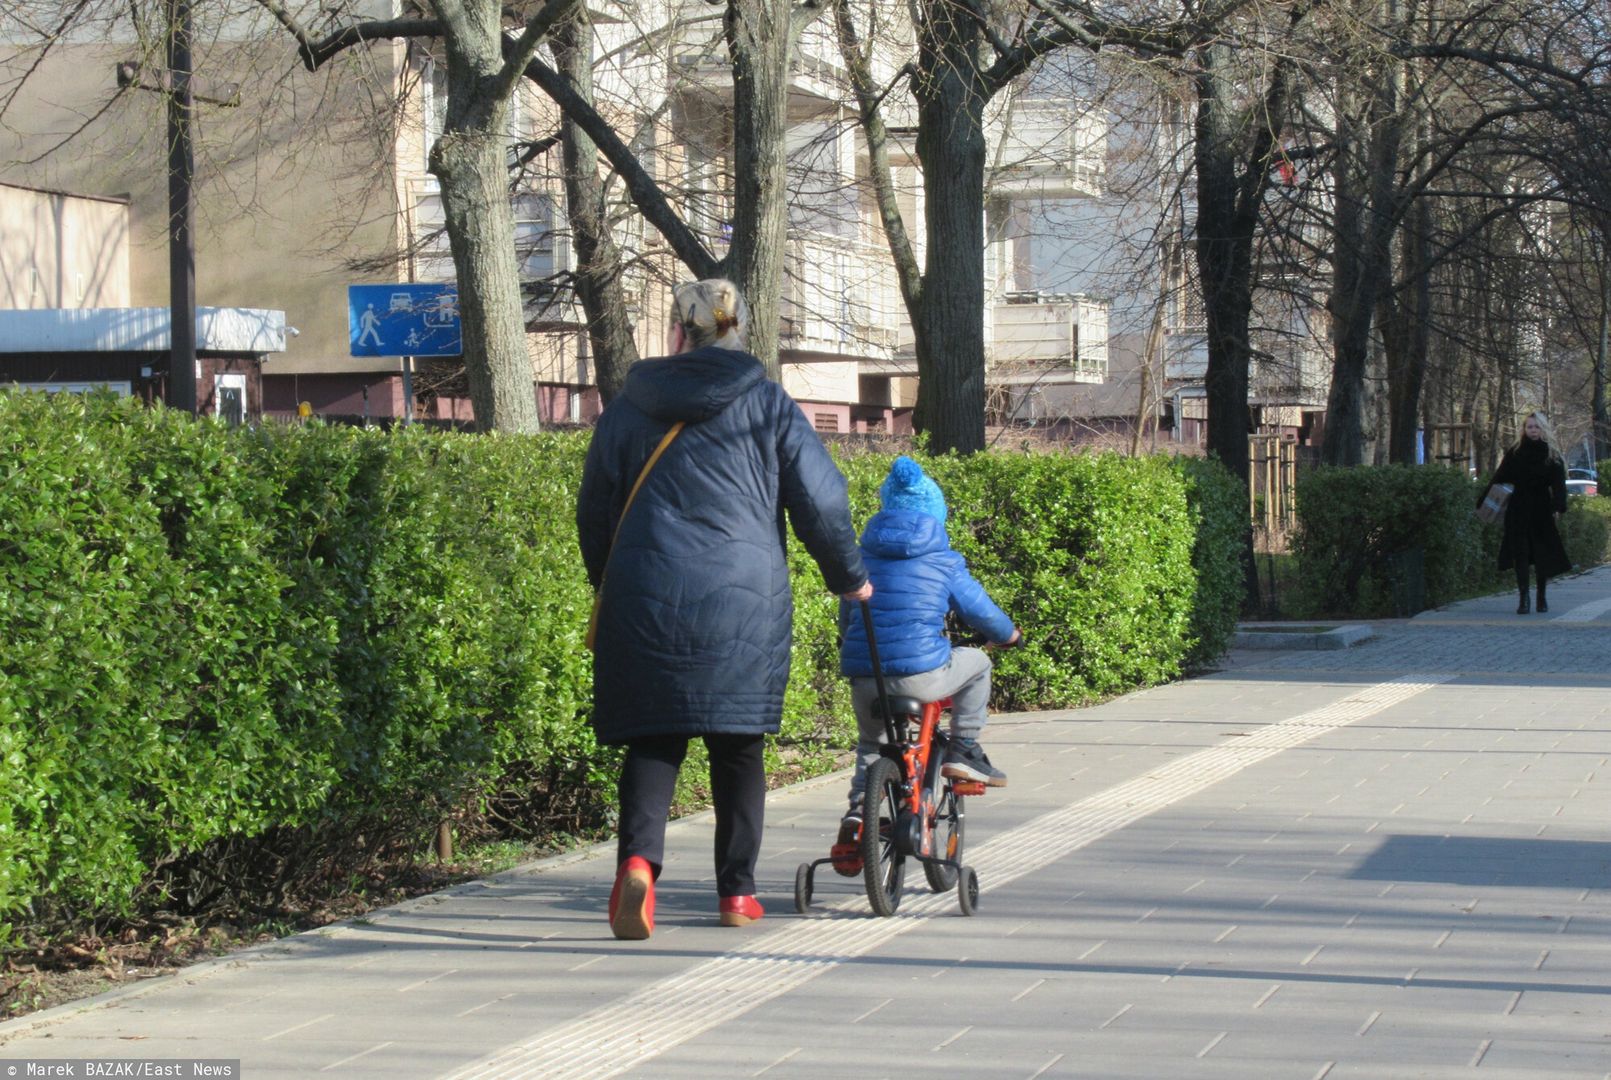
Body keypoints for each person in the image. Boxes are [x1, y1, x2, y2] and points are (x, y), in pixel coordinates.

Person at [577, 278, 871, 941]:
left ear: (678, 333)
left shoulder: (627, 410)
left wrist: (612, 582)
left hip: (644, 594)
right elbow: (820, 502)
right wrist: (848, 577)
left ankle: (638, 867)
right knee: (737, 747)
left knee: (653, 741)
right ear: (738, 329)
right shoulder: (767, 405)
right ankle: (735, 894)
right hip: (743, 599)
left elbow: (594, 511)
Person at [831, 455, 1020, 872]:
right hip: (923, 676)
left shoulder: (861, 559)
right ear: (937, 515)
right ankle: (964, 746)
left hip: (868, 678)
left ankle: (858, 816)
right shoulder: (942, 560)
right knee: (977, 664)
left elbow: (848, 621)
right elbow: (981, 613)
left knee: (871, 745)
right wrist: (1009, 636)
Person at [1479, 410, 1569, 614]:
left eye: (1537, 426)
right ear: (1524, 429)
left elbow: (1559, 485)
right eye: (1529, 427)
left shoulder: (1551, 454)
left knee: (1541, 555)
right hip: (1518, 509)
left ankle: (1541, 598)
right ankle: (1524, 599)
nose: (1533, 430)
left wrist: (1558, 506)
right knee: (1520, 554)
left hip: (1541, 510)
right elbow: (1499, 477)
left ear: (1543, 429)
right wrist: (1485, 501)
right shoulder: (1515, 452)